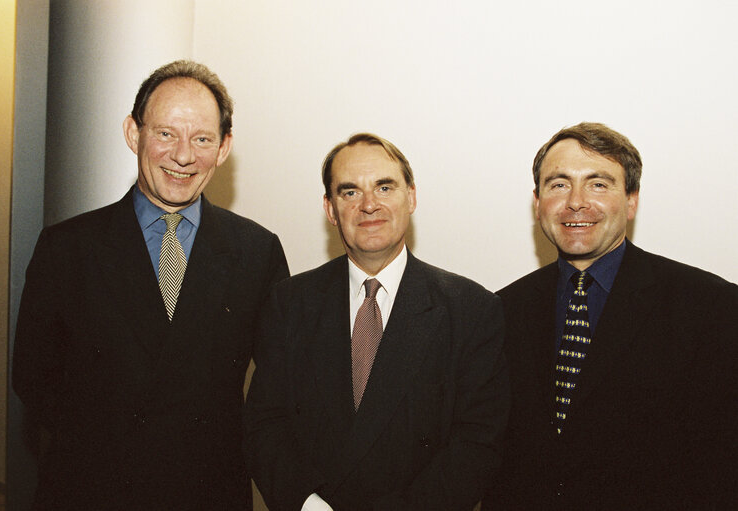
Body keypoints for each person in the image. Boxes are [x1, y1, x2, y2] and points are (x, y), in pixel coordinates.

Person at [12, 60, 289, 510]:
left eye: (202, 138)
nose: (183, 156)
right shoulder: (67, 248)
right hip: (91, 492)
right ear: (132, 133)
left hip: (206, 493)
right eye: (165, 133)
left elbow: (281, 388)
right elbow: (33, 375)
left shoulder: (257, 253)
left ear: (224, 147)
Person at [244, 133, 509, 511]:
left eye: (384, 187)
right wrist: (308, 505)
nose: (369, 205)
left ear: (411, 197)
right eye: (350, 192)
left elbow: (478, 442)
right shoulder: (289, 304)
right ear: (330, 208)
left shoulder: (471, 310)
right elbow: (265, 425)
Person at [484, 122, 737, 509]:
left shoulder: (710, 308)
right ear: (537, 202)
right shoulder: (499, 310)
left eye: (598, 184)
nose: (577, 202)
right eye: (559, 184)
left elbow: (722, 467)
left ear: (632, 200)